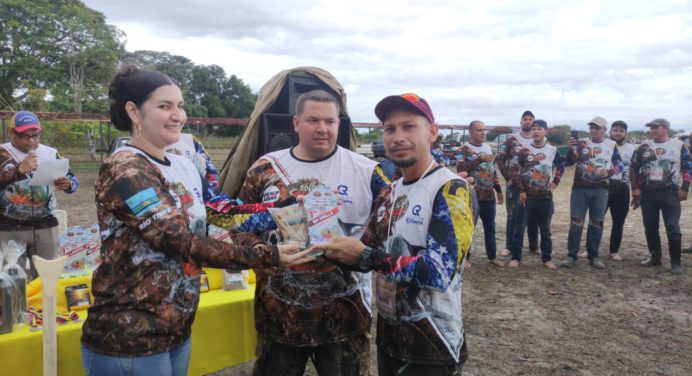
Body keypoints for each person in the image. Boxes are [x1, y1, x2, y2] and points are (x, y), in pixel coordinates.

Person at [80, 66, 313, 376]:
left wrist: (275, 210)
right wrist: (267, 255)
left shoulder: (182, 164)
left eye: (180, 105)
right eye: (164, 106)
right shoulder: (127, 170)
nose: (178, 115)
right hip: (129, 335)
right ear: (133, 111)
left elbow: (218, 213)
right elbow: (180, 242)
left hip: (175, 327)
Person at [312, 93, 474, 375]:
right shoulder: (390, 191)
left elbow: (438, 272)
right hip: (390, 338)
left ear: (432, 132)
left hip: (433, 344)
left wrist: (366, 257)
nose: (397, 136)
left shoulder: (450, 189)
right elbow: (364, 248)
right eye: (390, 129)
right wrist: (311, 237)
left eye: (409, 126)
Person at [238, 89, 380, 375]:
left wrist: (354, 250)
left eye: (330, 121)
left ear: (340, 124)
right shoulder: (265, 168)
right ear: (296, 123)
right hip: (279, 313)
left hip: (345, 314)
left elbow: (384, 230)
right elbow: (239, 226)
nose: (322, 129)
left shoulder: (368, 171)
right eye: (313, 120)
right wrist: (267, 254)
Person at [0, 111, 79, 279]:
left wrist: (69, 184)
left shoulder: (51, 153)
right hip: (9, 228)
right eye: (25, 136)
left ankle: (44, 306)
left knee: (48, 278)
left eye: (35, 135)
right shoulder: (2, 153)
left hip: (45, 226)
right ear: (12, 133)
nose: (31, 141)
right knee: (12, 280)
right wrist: (18, 170)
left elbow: (72, 179)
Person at [630, 118, 691, 274]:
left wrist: (685, 188)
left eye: (656, 127)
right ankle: (655, 257)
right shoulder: (643, 147)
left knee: (673, 227)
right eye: (651, 128)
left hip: (670, 193)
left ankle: (676, 263)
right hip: (648, 193)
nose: (653, 130)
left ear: (665, 128)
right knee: (650, 226)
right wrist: (635, 189)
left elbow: (688, 167)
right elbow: (633, 168)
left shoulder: (679, 146)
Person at [560, 117, 623, 270]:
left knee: (597, 223)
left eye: (597, 127)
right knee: (576, 222)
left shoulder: (611, 145)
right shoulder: (581, 143)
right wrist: (571, 150)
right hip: (580, 189)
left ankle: (593, 256)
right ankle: (571, 255)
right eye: (591, 127)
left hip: (601, 190)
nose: (593, 130)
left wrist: (609, 172)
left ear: (604, 130)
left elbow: (619, 164)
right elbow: (569, 163)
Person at [515, 120, 564, 269]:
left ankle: (546, 258)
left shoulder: (553, 150)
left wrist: (555, 182)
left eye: (539, 129)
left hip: (545, 198)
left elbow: (560, 167)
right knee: (520, 228)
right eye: (534, 129)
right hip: (527, 197)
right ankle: (516, 257)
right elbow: (516, 171)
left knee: (545, 230)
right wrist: (521, 190)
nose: (536, 131)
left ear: (545, 132)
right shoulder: (523, 150)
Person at [457, 120, 504, 267]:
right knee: (469, 228)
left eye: (484, 130)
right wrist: (479, 159)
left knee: (490, 227)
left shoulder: (488, 147)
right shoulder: (463, 149)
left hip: (488, 195)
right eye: (479, 130)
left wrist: (498, 189)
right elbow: (460, 170)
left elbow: (492, 170)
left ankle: (492, 256)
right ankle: (465, 258)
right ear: (471, 132)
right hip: (472, 196)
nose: (483, 133)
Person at [496, 110, 537, 258]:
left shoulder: (538, 140)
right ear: (521, 122)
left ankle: (534, 246)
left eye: (530, 119)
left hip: (533, 185)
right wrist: (507, 177)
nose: (528, 121)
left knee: (533, 216)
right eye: (525, 119)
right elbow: (500, 158)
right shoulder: (512, 140)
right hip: (514, 185)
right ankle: (510, 246)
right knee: (513, 216)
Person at [605, 120, 636, 260]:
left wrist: (636, 191)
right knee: (596, 219)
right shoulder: (603, 146)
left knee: (618, 221)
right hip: (603, 188)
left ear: (626, 133)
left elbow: (636, 170)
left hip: (622, 188)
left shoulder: (633, 149)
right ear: (610, 132)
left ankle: (614, 250)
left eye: (621, 131)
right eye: (615, 130)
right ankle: (589, 248)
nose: (618, 133)